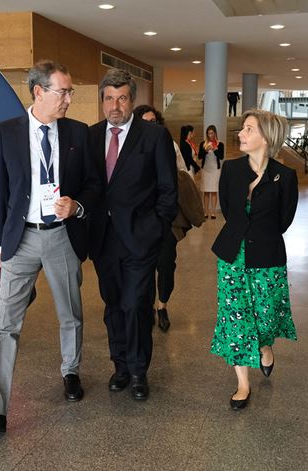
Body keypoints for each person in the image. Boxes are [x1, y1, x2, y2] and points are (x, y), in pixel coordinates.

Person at [0, 60, 100, 433]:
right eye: (63, 91)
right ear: (39, 92)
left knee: (70, 312)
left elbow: (93, 186)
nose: (69, 98)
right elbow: (0, 190)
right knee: (5, 323)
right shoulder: (8, 132)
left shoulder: (78, 134)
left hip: (61, 236)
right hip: (20, 240)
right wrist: (0, 243)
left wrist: (77, 206)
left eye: (70, 92)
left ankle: (70, 372)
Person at [88, 69, 178, 400]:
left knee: (136, 303)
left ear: (132, 100)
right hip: (104, 239)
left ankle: (139, 370)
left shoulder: (153, 137)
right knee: (113, 304)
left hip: (141, 237)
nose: (115, 105)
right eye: (109, 99)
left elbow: (169, 189)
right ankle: (120, 366)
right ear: (102, 102)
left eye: (122, 98)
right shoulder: (92, 136)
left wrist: (157, 227)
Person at [210, 109, 298, 411]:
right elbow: (227, 209)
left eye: (248, 129)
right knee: (235, 317)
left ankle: (265, 346)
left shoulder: (285, 176)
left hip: (267, 255)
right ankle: (242, 384)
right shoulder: (232, 170)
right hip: (233, 254)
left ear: (266, 137)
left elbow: (284, 220)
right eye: (243, 129)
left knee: (264, 314)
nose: (241, 134)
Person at [134, 105, 205, 332]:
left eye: (153, 121)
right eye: (145, 121)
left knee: (165, 264)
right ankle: (148, 307)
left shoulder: (169, 144)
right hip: (141, 220)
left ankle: (162, 305)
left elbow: (182, 175)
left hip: (166, 218)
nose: (150, 125)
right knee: (144, 267)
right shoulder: (130, 146)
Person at [198, 125, 224, 219]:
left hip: (215, 169)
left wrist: (214, 149)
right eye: (209, 133)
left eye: (212, 133)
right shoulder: (203, 144)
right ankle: (206, 211)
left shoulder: (220, 144)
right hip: (206, 169)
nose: (210, 135)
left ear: (215, 133)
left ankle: (213, 212)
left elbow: (221, 157)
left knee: (213, 191)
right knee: (206, 191)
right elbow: (199, 157)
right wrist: (205, 150)